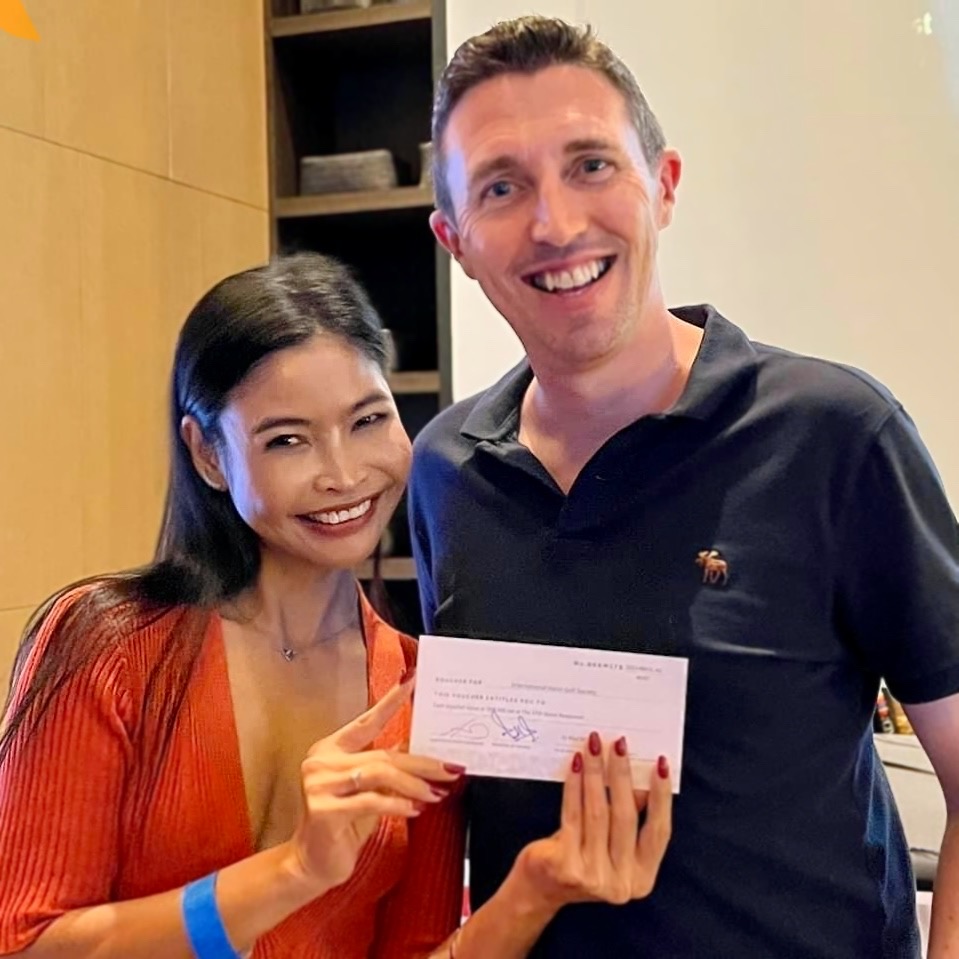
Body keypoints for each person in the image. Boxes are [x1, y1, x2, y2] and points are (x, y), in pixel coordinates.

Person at [408, 15, 959, 959]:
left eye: (590, 165)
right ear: (454, 239)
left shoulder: (834, 433)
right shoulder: (444, 470)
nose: (555, 224)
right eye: (501, 186)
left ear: (662, 186)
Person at [0, 252, 672, 959]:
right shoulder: (108, 644)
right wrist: (293, 871)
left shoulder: (421, 692)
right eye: (287, 440)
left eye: (367, 420)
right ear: (208, 455)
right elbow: (25, 942)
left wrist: (534, 890)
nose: (344, 474)